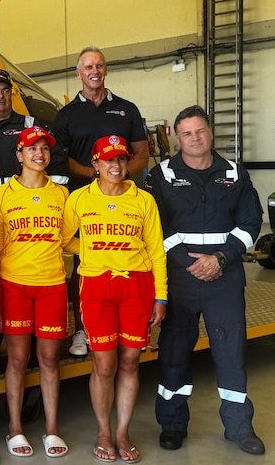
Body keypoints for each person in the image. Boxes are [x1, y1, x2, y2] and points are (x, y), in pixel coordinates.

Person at [144, 105, 265, 455]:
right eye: (186, 134)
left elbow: (251, 224)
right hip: (180, 279)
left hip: (225, 278)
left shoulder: (234, 174)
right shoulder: (161, 174)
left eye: (199, 132)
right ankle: (172, 424)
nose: (194, 139)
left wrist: (220, 259)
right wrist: (191, 263)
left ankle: (240, 427)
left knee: (231, 352)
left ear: (210, 133)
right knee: (174, 353)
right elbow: (155, 227)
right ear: (176, 138)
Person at [61, 135, 167, 464]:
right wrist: (91, 250)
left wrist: (161, 297)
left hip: (137, 286)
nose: (115, 165)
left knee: (131, 361)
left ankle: (122, 432)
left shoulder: (143, 200)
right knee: (104, 364)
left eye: (121, 159)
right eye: (108, 160)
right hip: (96, 286)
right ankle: (103, 431)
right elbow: (64, 238)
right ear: (95, 164)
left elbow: (156, 250)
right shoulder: (79, 199)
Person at [52, 47, 150, 358]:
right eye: (88, 67)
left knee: (128, 261)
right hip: (83, 200)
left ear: (105, 70)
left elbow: (142, 153)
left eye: (99, 65)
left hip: (125, 200)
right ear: (78, 74)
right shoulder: (66, 116)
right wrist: (97, 177)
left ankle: (128, 325)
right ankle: (83, 329)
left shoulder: (126, 109)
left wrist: (117, 179)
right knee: (84, 266)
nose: (95, 70)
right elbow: (57, 159)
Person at [0, 126, 69, 459]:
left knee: (50, 358)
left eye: (44, 149)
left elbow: (66, 240)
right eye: (31, 149)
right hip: (14, 284)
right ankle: (16, 428)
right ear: (19, 155)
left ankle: (52, 429)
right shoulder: (1, 195)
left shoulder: (61, 195)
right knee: (18, 359)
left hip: (52, 284)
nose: (39, 154)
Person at [0, 68, 68, 194]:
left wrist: (53, 192)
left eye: (5, 91)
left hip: (22, 203)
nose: (0, 95)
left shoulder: (30, 125)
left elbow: (59, 161)